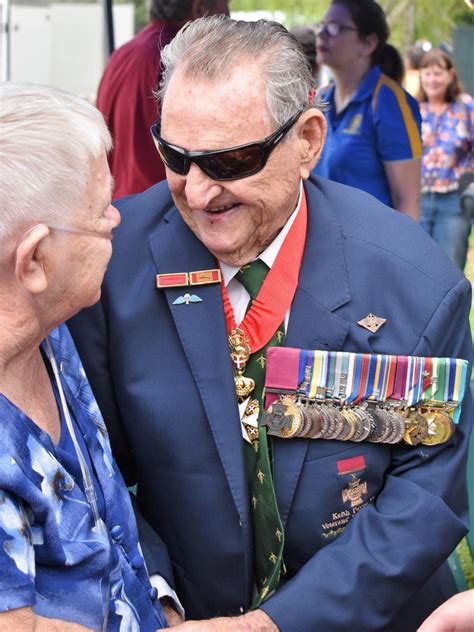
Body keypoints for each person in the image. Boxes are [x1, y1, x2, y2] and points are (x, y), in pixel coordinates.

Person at [69, 16, 473, 631]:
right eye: (177, 156)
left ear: (308, 140)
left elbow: (425, 491)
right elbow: (94, 466)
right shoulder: (109, 270)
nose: (200, 193)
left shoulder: (414, 283)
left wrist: (277, 624)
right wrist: (160, 597)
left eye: (231, 161)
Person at [0, 82, 167, 631]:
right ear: (34, 261)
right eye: (99, 212)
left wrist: (157, 601)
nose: (117, 219)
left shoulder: (48, 329)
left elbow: (106, 514)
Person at [96, 0, 229, 199]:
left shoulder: (122, 54)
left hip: (119, 204)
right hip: (163, 207)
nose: (229, 13)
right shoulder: (182, 60)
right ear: (199, 7)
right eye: (226, 4)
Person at [313, 0, 422, 220]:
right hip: (325, 241)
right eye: (321, 25)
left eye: (335, 27)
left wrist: (398, 253)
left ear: (368, 43)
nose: (322, 34)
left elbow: (407, 202)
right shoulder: (321, 98)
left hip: (372, 246)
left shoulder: (389, 102)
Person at [418, 48, 473, 271]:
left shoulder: (465, 106)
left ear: (451, 74)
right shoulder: (413, 108)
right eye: (427, 73)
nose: (432, 80)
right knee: (416, 266)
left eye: (438, 73)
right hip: (418, 201)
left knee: (449, 269)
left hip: (454, 201)